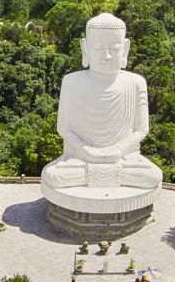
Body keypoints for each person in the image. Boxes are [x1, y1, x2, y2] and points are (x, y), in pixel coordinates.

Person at [41, 13, 163, 190]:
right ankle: (108, 174)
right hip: (80, 158)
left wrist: (119, 150)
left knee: (152, 175)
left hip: (124, 159)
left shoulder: (136, 83)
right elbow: (63, 128)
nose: (106, 56)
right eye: (98, 49)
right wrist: (85, 150)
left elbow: (142, 129)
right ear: (85, 49)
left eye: (114, 49)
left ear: (125, 49)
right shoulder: (71, 82)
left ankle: (106, 173)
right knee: (53, 175)